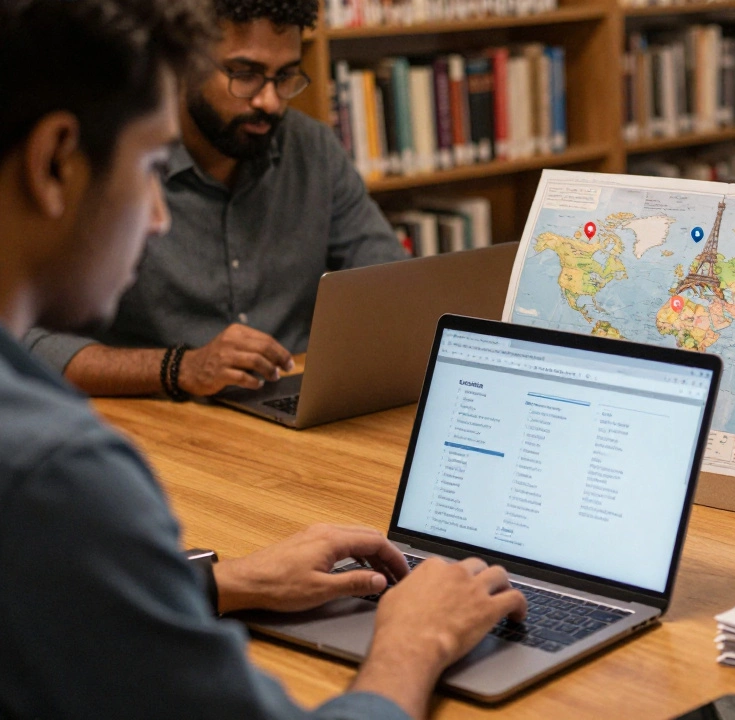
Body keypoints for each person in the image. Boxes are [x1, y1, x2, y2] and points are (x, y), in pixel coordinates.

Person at [0, 1, 524, 718]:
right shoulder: (59, 474)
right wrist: (412, 643)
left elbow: (62, 601)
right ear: (55, 160)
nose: (157, 216)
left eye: (285, 77)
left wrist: (223, 582)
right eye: (149, 166)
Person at [22, 0, 408, 400]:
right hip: (159, 418)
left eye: (285, 77)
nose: (270, 101)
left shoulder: (312, 150)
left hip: (293, 404)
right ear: (185, 63)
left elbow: (396, 285)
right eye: (245, 74)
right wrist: (179, 368)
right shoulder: (119, 160)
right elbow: (25, 342)